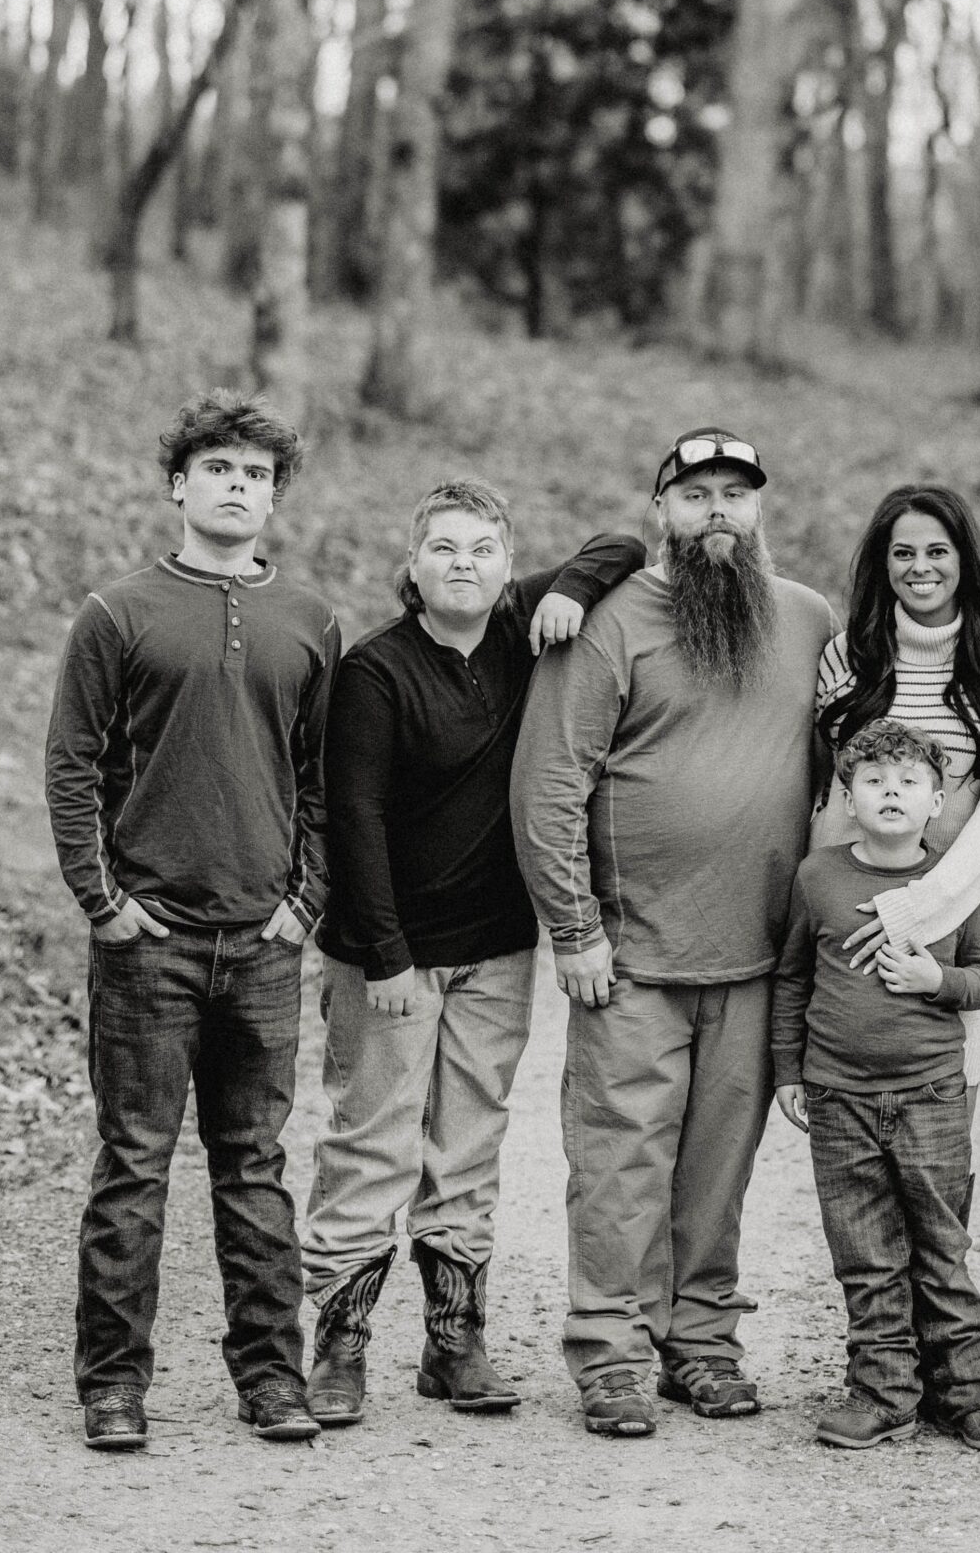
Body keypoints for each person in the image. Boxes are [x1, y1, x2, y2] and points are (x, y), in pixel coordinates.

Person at [511, 426, 834, 1439]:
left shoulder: (806, 620)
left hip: (754, 956)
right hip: (630, 957)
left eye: (735, 494)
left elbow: (868, 750)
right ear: (659, 513)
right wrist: (573, 929)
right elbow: (552, 781)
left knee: (716, 1166)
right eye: (693, 495)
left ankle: (699, 1341)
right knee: (617, 1162)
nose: (715, 513)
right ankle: (607, 1349)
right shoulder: (609, 621)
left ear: (759, 510)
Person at [301, 484, 647, 1427]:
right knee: (372, 1139)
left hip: (496, 949)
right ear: (412, 567)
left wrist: (571, 585)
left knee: (468, 1142)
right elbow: (355, 820)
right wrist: (384, 956)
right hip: (391, 953)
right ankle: (339, 1345)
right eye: (443, 548)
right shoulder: (374, 672)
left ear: (506, 568)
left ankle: (454, 1343)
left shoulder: (520, 636)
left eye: (483, 548)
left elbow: (619, 539)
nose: (463, 562)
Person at [44, 391, 339, 1453]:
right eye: (217, 468)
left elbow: (320, 779)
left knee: (253, 1165)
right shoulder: (118, 612)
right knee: (132, 1165)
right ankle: (113, 1385)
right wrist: (103, 902)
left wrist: (306, 900)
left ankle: (272, 1376)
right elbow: (71, 764)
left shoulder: (308, 620)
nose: (236, 486)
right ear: (179, 484)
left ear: (273, 495)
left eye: (255, 474)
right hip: (147, 940)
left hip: (261, 944)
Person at [772, 719, 980, 1455]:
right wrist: (789, 1070)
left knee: (941, 1248)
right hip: (837, 1096)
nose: (890, 793)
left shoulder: (951, 879)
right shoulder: (818, 877)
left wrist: (934, 979)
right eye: (873, 782)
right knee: (866, 1254)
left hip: (929, 1095)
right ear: (846, 799)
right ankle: (883, 1394)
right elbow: (792, 979)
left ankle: (967, 1395)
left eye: (908, 782)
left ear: (936, 800)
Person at [814, 484, 980, 1097]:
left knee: (949, 1095)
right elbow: (830, 797)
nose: (921, 567)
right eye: (903, 553)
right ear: (882, 563)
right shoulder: (846, 658)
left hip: (956, 902)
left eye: (938, 551)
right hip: (854, 905)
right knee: (848, 1090)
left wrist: (924, 905)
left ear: (965, 558)